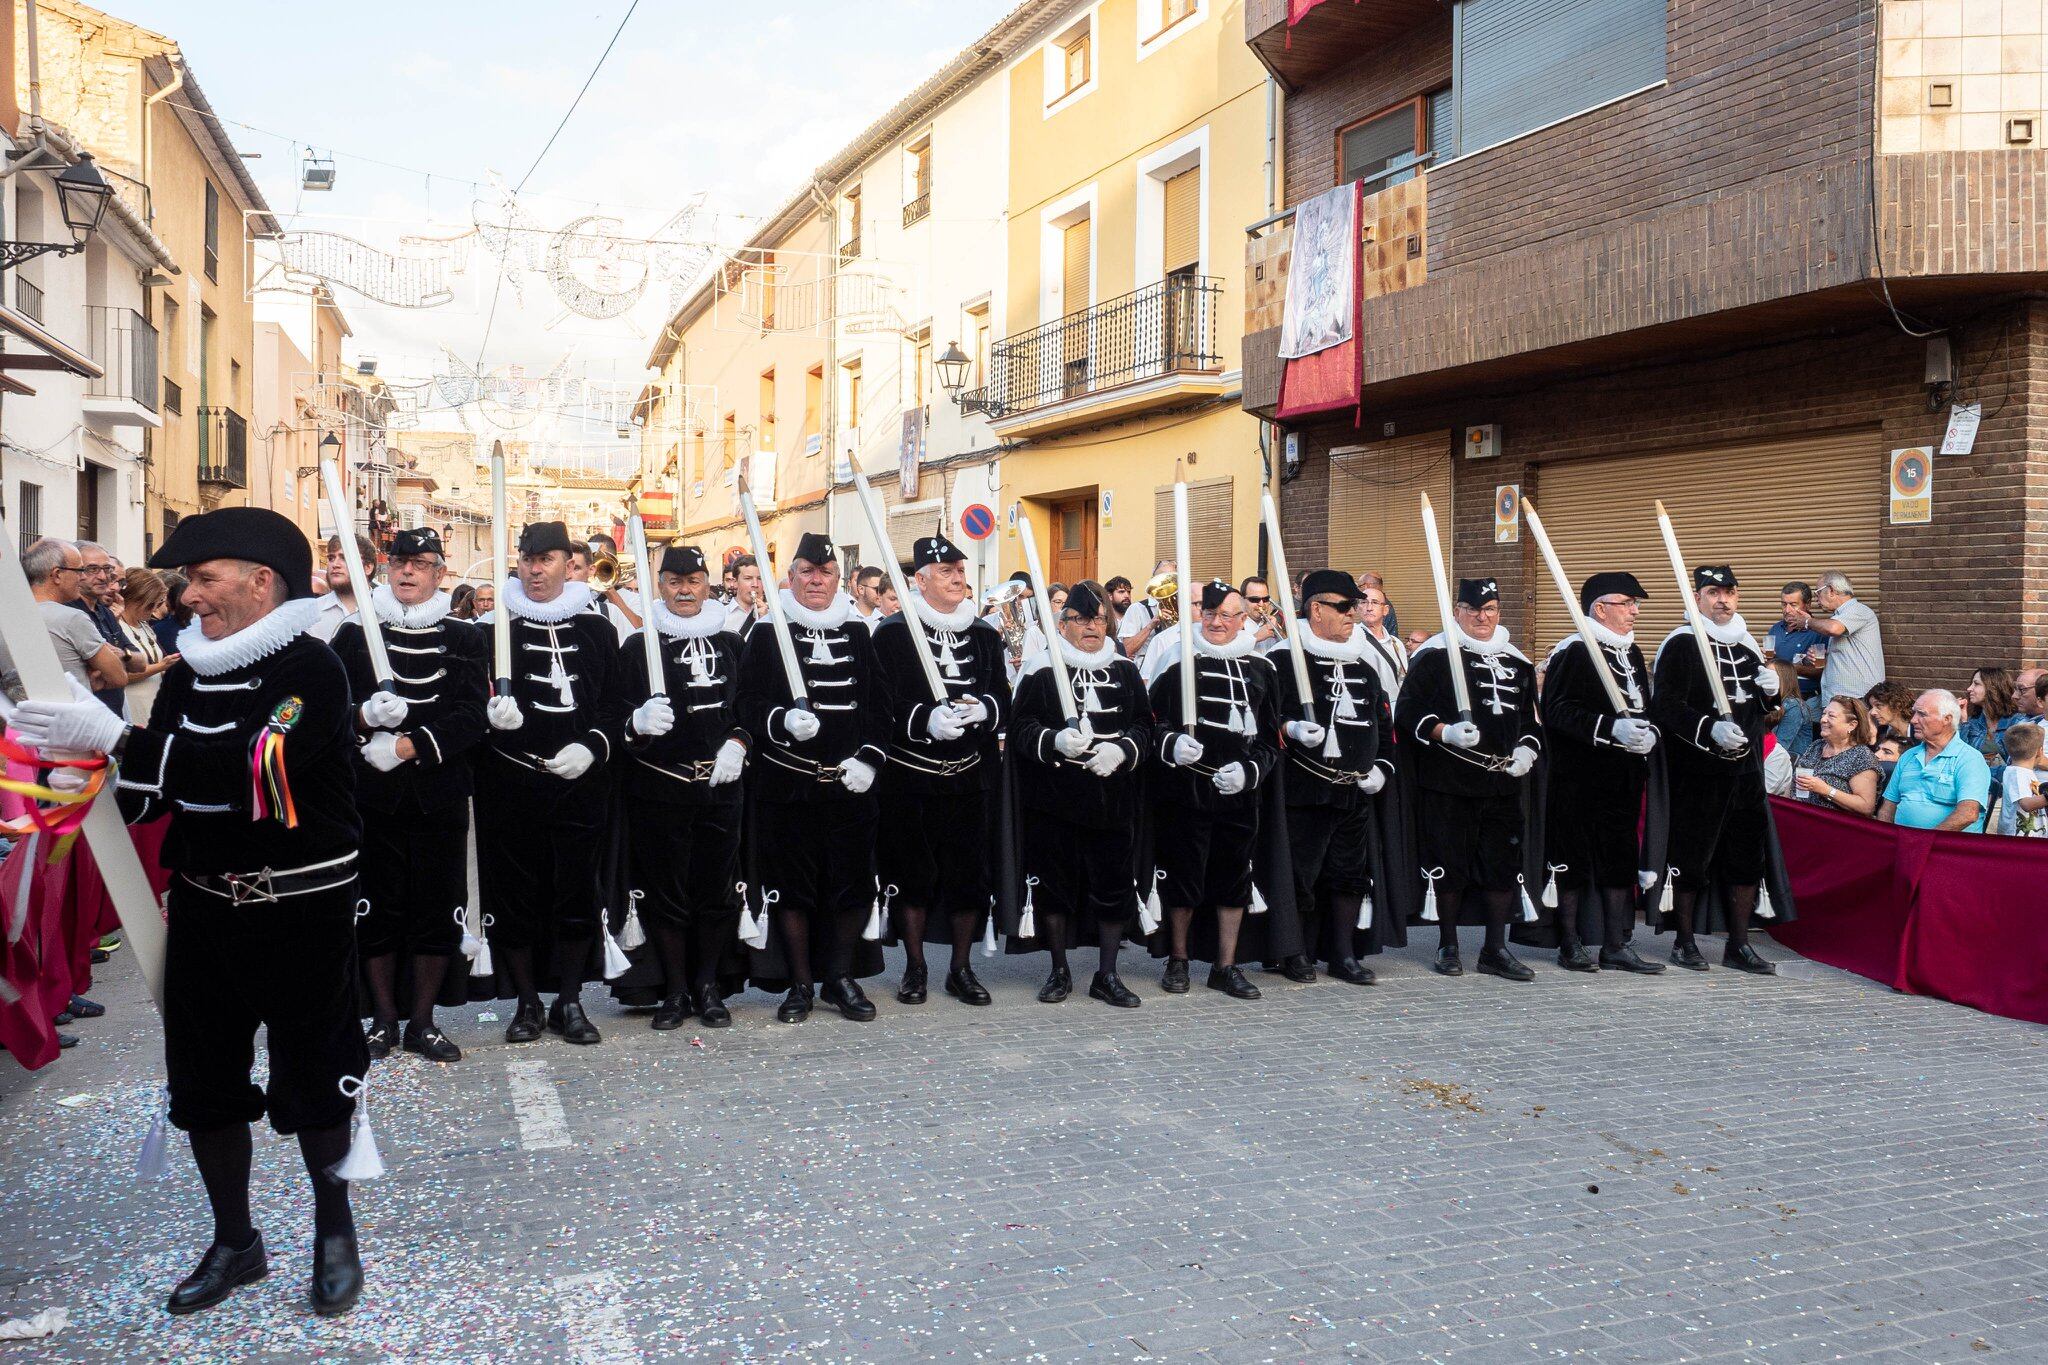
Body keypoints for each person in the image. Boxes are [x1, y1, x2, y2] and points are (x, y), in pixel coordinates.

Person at [14, 508, 368, 1315]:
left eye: (204, 579)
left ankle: (334, 1228)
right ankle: (236, 1239)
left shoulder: (313, 669)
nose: (188, 595)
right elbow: (154, 798)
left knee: (315, 1077)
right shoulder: (184, 673)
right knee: (204, 1081)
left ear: (260, 581)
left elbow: (258, 774)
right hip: (206, 908)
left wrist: (117, 739)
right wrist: (82, 780)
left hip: (302, 908)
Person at [331, 528, 488, 1063]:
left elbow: (473, 715)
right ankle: (382, 1018)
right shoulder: (355, 636)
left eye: (420, 564)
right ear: (385, 567)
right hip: (373, 796)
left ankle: (424, 1020)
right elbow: (330, 710)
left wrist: (410, 744)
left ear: (440, 574)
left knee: (437, 907)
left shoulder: (465, 639)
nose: (407, 572)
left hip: (438, 793)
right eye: (399, 561)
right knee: (377, 906)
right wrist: (362, 720)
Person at [736, 532, 894, 1023]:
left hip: (849, 786)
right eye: (807, 571)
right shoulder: (767, 632)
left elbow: (879, 706)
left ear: (838, 579)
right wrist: (780, 720)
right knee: (792, 888)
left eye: (825, 572)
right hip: (790, 786)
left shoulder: (857, 633)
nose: (816, 580)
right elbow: (745, 703)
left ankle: (840, 978)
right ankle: (800, 983)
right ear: (791, 578)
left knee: (850, 886)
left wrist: (869, 759)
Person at [476, 521, 623, 1046]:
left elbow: (614, 707)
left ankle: (569, 999)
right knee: (517, 896)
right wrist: (490, 714)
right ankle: (526, 1002)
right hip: (513, 784)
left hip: (579, 786)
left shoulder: (598, 632)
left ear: (568, 563)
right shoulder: (494, 631)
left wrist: (592, 747)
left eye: (547, 560)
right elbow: (470, 703)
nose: (535, 570)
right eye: (527, 560)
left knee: (576, 893)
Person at [613, 543, 748, 1030]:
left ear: (709, 584)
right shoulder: (638, 646)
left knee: (715, 892)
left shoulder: (731, 644)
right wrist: (637, 723)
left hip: (720, 789)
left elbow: (749, 706)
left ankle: (708, 985)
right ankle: (672, 990)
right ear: (661, 586)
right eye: (673, 581)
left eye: (693, 581)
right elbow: (615, 721)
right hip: (661, 791)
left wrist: (738, 740)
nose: (684, 590)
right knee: (665, 892)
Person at [870, 534, 1008, 1006]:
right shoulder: (892, 633)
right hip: (911, 777)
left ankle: (961, 968)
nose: (956, 578)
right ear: (920, 580)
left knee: (969, 877)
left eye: (960, 571)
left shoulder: (985, 634)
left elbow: (1003, 697)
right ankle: (914, 967)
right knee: (914, 874)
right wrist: (923, 719)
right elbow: (878, 704)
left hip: (969, 776)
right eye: (946, 571)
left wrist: (983, 710)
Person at [1011, 583, 1153, 1007]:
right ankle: (1058, 971)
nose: (1090, 627)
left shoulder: (1124, 668)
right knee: (1055, 886)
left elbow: (1145, 725)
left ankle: (1107, 975)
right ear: (1063, 624)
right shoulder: (1040, 668)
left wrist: (1122, 748)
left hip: (1113, 798)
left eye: (1097, 619)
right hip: (1056, 798)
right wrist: (1053, 740)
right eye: (1079, 619)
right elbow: (1020, 728)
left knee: (1113, 888)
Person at [1398, 576, 1544, 981]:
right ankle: (1448, 943)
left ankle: (1496, 948)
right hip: (1449, 782)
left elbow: (1530, 720)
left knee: (1501, 865)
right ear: (1458, 612)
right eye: (1474, 610)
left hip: (1502, 782)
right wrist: (1443, 730)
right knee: (1450, 864)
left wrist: (1527, 749)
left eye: (1491, 610)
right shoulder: (1434, 656)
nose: (1483, 617)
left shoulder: (1516, 661)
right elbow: (1407, 712)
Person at [1145, 581, 1282, 1001]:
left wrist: (1250, 771)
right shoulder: (1177, 659)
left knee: (1234, 878)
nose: (1216, 622)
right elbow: (1151, 721)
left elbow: (1269, 740)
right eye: (1210, 613)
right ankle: (1179, 959)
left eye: (1227, 615)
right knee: (1184, 876)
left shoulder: (1262, 669)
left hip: (1239, 794)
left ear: (1244, 620)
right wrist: (1171, 744)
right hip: (1186, 789)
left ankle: (1226, 965)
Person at [1647, 566, 1780, 974]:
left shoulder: (1747, 645)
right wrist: (1708, 729)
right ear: (1697, 596)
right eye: (1713, 592)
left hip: (1746, 772)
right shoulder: (1682, 644)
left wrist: (1770, 694)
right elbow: (1666, 706)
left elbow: (1760, 709)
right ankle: (1684, 941)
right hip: (1698, 770)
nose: (1722, 600)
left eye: (1729, 592)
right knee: (1692, 855)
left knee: (1746, 856)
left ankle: (1738, 944)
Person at [1271, 570, 1392, 985]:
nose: (1353, 615)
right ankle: (1296, 950)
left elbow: (1383, 726)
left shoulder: (1365, 665)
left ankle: (1342, 954)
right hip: (1303, 791)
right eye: (1343, 607)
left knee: (1349, 874)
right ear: (1316, 609)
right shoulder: (1283, 660)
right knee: (1302, 873)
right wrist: (1289, 728)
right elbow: (1264, 721)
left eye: (1356, 606)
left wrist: (1381, 768)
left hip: (1353, 791)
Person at [1540, 571, 1660, 973]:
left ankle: (1616, 943)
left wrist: (1648, 733)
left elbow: (1645, 706)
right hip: (1578, 774)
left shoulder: (1631, 651)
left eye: (1635, 604)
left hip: (1623, 773)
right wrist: (1609, 728)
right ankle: (1569, 942)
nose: (1635, 611)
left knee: (1618, 857)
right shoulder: (1575, 650)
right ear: (1600, 608)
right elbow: (1555, 711)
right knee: (1572, 856)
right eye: (1628, 603)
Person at [24, 541, 130, 702]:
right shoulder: (72, 618)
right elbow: (119, 677)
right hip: (72, 718)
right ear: (57, 574)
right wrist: (88, 679)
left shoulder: (10, 616)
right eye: (80, 570)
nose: (82, 577)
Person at [1879, 689, 1991, 832]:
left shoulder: (1969, 759)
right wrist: (1886, 839)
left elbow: (1968, 814)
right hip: (1906, 845)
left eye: (1922, 714)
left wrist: (1925, 841)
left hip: (1948, 850)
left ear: (1947, 719)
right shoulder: (1908, 756)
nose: (1913, 720)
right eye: (1914, 713)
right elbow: (1887, 808)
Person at [1801, 571, 1885, 706]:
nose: (1817, 599)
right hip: (1836, 697)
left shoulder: (1857, 610)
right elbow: (1842, 658)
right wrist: (1810, 658)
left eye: (1818, 593)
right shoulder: (1839, 617)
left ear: (1831, 591)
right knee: (1801, 713)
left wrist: (1806, 622)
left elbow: (1833, 629)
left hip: (1855, 697)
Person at [1794, 696, 1883, 816]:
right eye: (1823, 714)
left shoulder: (1861, 756)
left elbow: (1866, 807)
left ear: (1851, 725)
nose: (1823, 720)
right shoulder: (1816, 746)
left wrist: (1826, 790)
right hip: (1801, 817)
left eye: (1831, 716)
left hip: (1836, 827)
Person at [74, 541, 133, 714]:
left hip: (113, 715)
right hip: (86, 718)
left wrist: (124, 654)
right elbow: (118, 677)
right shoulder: (70, 612)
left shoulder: (106, 613)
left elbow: (140, 663)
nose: (103, 577)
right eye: (92, 569)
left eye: (107, 569)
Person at [116, 568, 179, 728]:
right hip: (133, 705)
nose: (154, 609)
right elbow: (121, 674)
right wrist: (161, 666)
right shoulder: (117, 627)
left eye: (158, 604)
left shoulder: (145, 626)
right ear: (135, 599)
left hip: (153, 704)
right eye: (151, 604)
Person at [308, 534, 377, 644]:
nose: (335, 564)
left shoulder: (385, 611)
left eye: (344, 558)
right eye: (331, 558)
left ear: (367, 567)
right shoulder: (310, 613)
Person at [1763, 582, 1826, 700]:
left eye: (1793, 604)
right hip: (1776, 695)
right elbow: (1770, 663)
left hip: (1806, 699)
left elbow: (1823, 673)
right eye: (1784, 604)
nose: (1787, 610)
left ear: (1808, 605)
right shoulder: (1775, 629)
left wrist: (1790, 668)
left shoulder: (1819, 632)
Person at [1354, 579, 1408, 704]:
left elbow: (1402, 680)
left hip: (1393, 709)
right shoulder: (1352, 639)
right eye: (1364, 602)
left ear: (1385, 610)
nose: (1369, 608)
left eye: (1375, 602)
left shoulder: (1396, 644)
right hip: (1367, 707)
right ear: (1357, 608)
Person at [1116, 561, 1174, 667]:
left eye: (1172, 578)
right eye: (1163, 578)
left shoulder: (1184, 609)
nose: (1168, 584)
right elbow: (1127, 650)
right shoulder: (1137, 609)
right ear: (1153, 580)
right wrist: (1150, 626)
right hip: (1147, 670)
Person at [1995, 722, 2045, 837]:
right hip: (2018, 838)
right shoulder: (2017, 773)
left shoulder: (2021, 772)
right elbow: (2026, 804)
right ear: (2039, 751)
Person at [1959, 666, 2018, 764]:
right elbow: (1961, 756)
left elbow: (2017, 765)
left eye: (1976, 684)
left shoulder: (2016, 722)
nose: (1969, 689)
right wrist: (1963, 722)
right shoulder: (1972, 722)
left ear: (1993, 687)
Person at [722, 553, 768, 639]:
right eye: (748, 578)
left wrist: (768, 621)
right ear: (735, 582)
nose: (755, 584)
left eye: (760, 578)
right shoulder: (721, 615)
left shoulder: (774, 616)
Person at [1864, 680, 1915, 747]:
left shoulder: (1919, 732)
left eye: (1878, 705)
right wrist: (1872, 738)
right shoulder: (1880, 733)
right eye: (1871, 707)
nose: (1872, 712)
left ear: (1897, 705)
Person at [849, 565, 893, 631]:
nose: (881, 593)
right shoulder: (845, 618)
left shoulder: (886, 622)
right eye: (877, 589)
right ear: (861, 589)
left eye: (883, 589)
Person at [1241, 576, 1281, 646]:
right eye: (1254, 599)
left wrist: (1278, 631)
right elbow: (1226, 651)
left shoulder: (1272, 623)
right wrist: (1256, 637)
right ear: (1242, 600)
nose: (1261, 604)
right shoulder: (1235, 624)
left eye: (1265, 599)